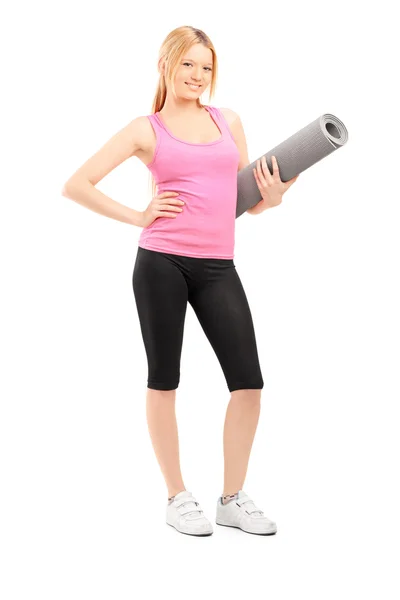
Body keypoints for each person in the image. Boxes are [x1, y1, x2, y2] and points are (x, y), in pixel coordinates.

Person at [62, 25, 298, 537]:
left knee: (249, 383)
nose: (198, 76)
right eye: (189, 64)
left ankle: (232, 499)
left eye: (206, 67)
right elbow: (76, 184)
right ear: (167, 65)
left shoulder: (228, 120)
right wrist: (138, 215)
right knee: (164, 378)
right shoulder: (144, 129)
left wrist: (271, 199)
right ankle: (177, 496)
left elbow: (244, 202)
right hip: (161, 263)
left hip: (218, 266)